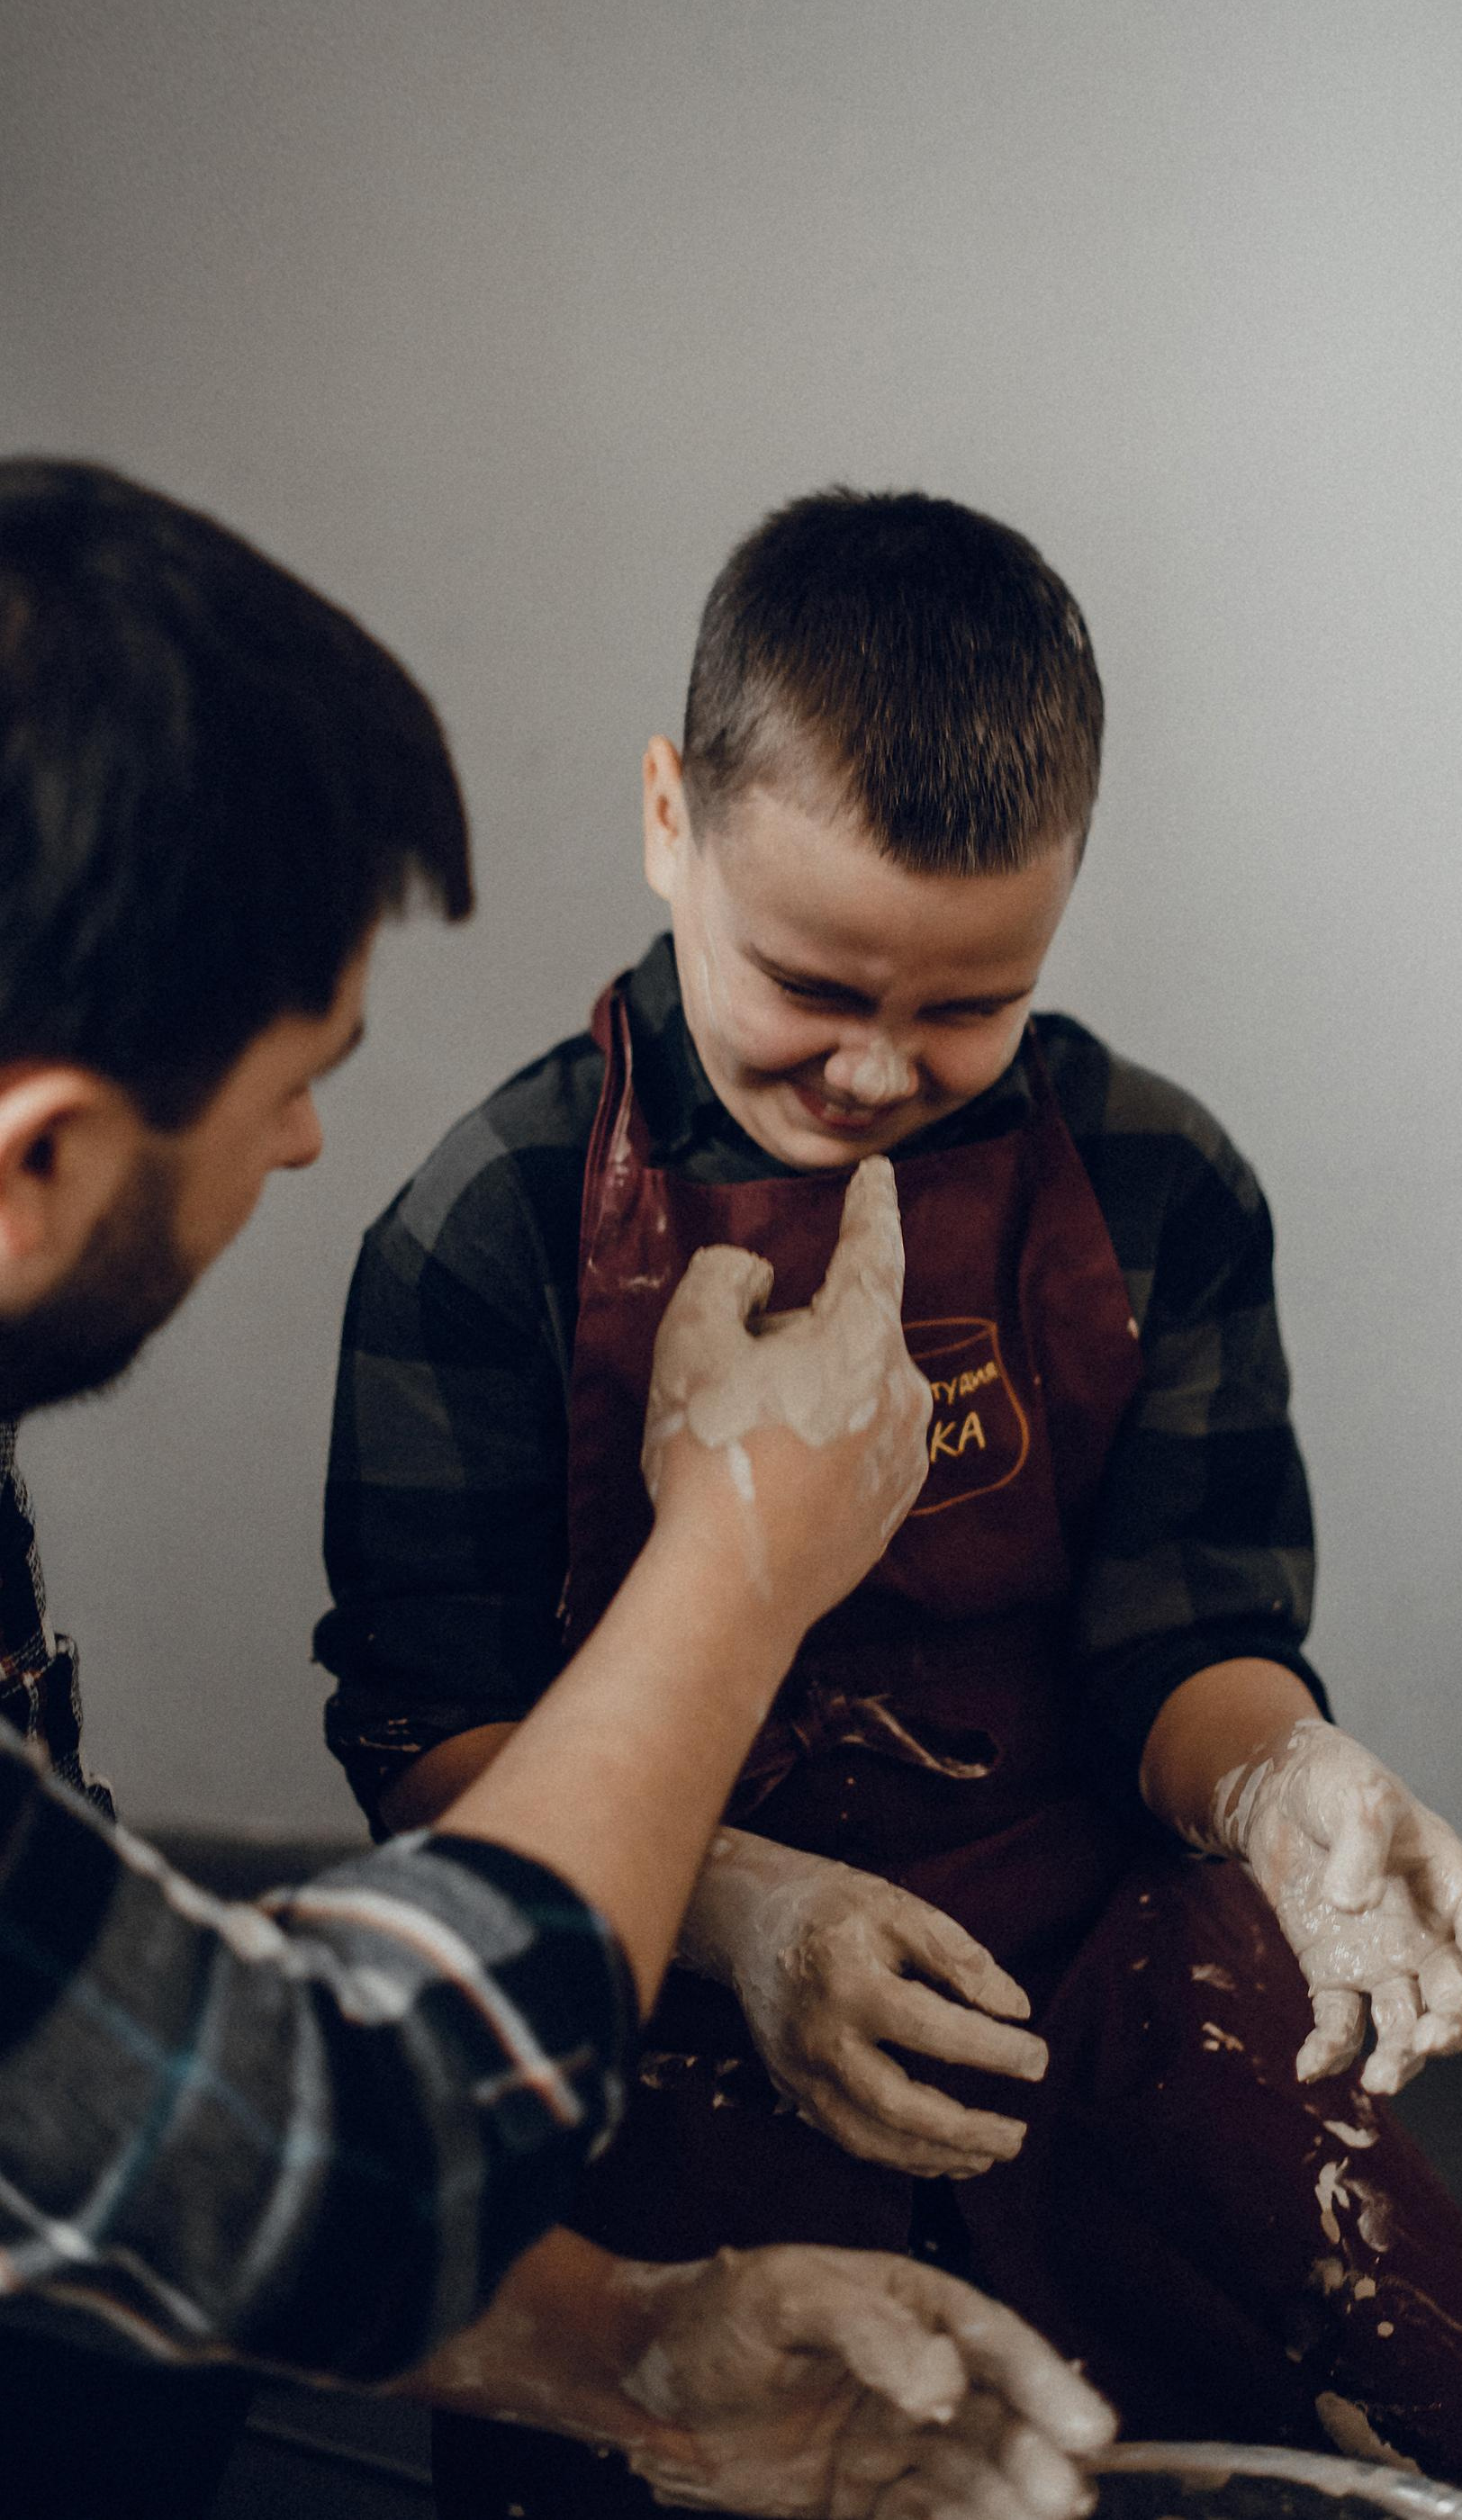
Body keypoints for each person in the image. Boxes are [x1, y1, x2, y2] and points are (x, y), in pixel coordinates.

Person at [318, 488, 1462, 2520]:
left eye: (964, 1003)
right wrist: (745, 1909)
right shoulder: (481, 1229)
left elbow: (1179, 1635)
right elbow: (431, 1740)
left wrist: (1279, 1776)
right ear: (668, 817)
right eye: (809, 984)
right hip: (653, 1970)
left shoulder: (1152, 1183)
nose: (873, 1069)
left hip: (1086, 1955)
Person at [0, 459, 1115, 2520]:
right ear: (35, 1164)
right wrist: (739, 1562)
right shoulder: (485, 1221)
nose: (317, 1143)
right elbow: (334, 2150)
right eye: (289, 1083)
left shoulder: (1142, 1177)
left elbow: (91, 2142)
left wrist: (621, 2340)